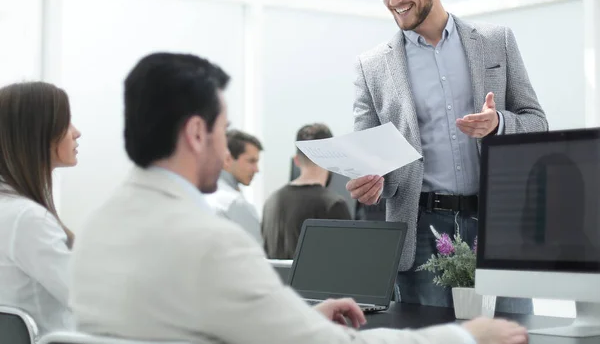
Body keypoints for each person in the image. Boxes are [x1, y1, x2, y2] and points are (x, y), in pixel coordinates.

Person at [70, 52, 527, 344]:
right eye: (222, 131)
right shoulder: (209, 243)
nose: (225, 145)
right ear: (195, 133)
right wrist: (469, 336)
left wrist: (298, 318)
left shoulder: (98, 230)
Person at [347, 0, 548, 311]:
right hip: (421, 230)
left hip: (499, 226)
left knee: (511, 332)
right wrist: (372, 183)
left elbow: (537, 123)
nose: (394, 0)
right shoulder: (371, 67)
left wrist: (498, 124)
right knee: (431, 336)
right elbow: (371, 159)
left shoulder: (496, 42)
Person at [0, 81, 81, 333]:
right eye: (66, 123)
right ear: (38, 135)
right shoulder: (27, 218)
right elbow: (90, 300)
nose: (76, 132)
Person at [262, 123, 351, 259]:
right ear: (331, 158)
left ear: (296, 160)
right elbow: (346, 261)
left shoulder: (271, 202)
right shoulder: (333, 205)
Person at [204, 129, 263, 243]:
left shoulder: (200, 195)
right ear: (227, 159)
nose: (257, 169)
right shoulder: (234, 203)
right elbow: (255, 256)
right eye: (251, 161)